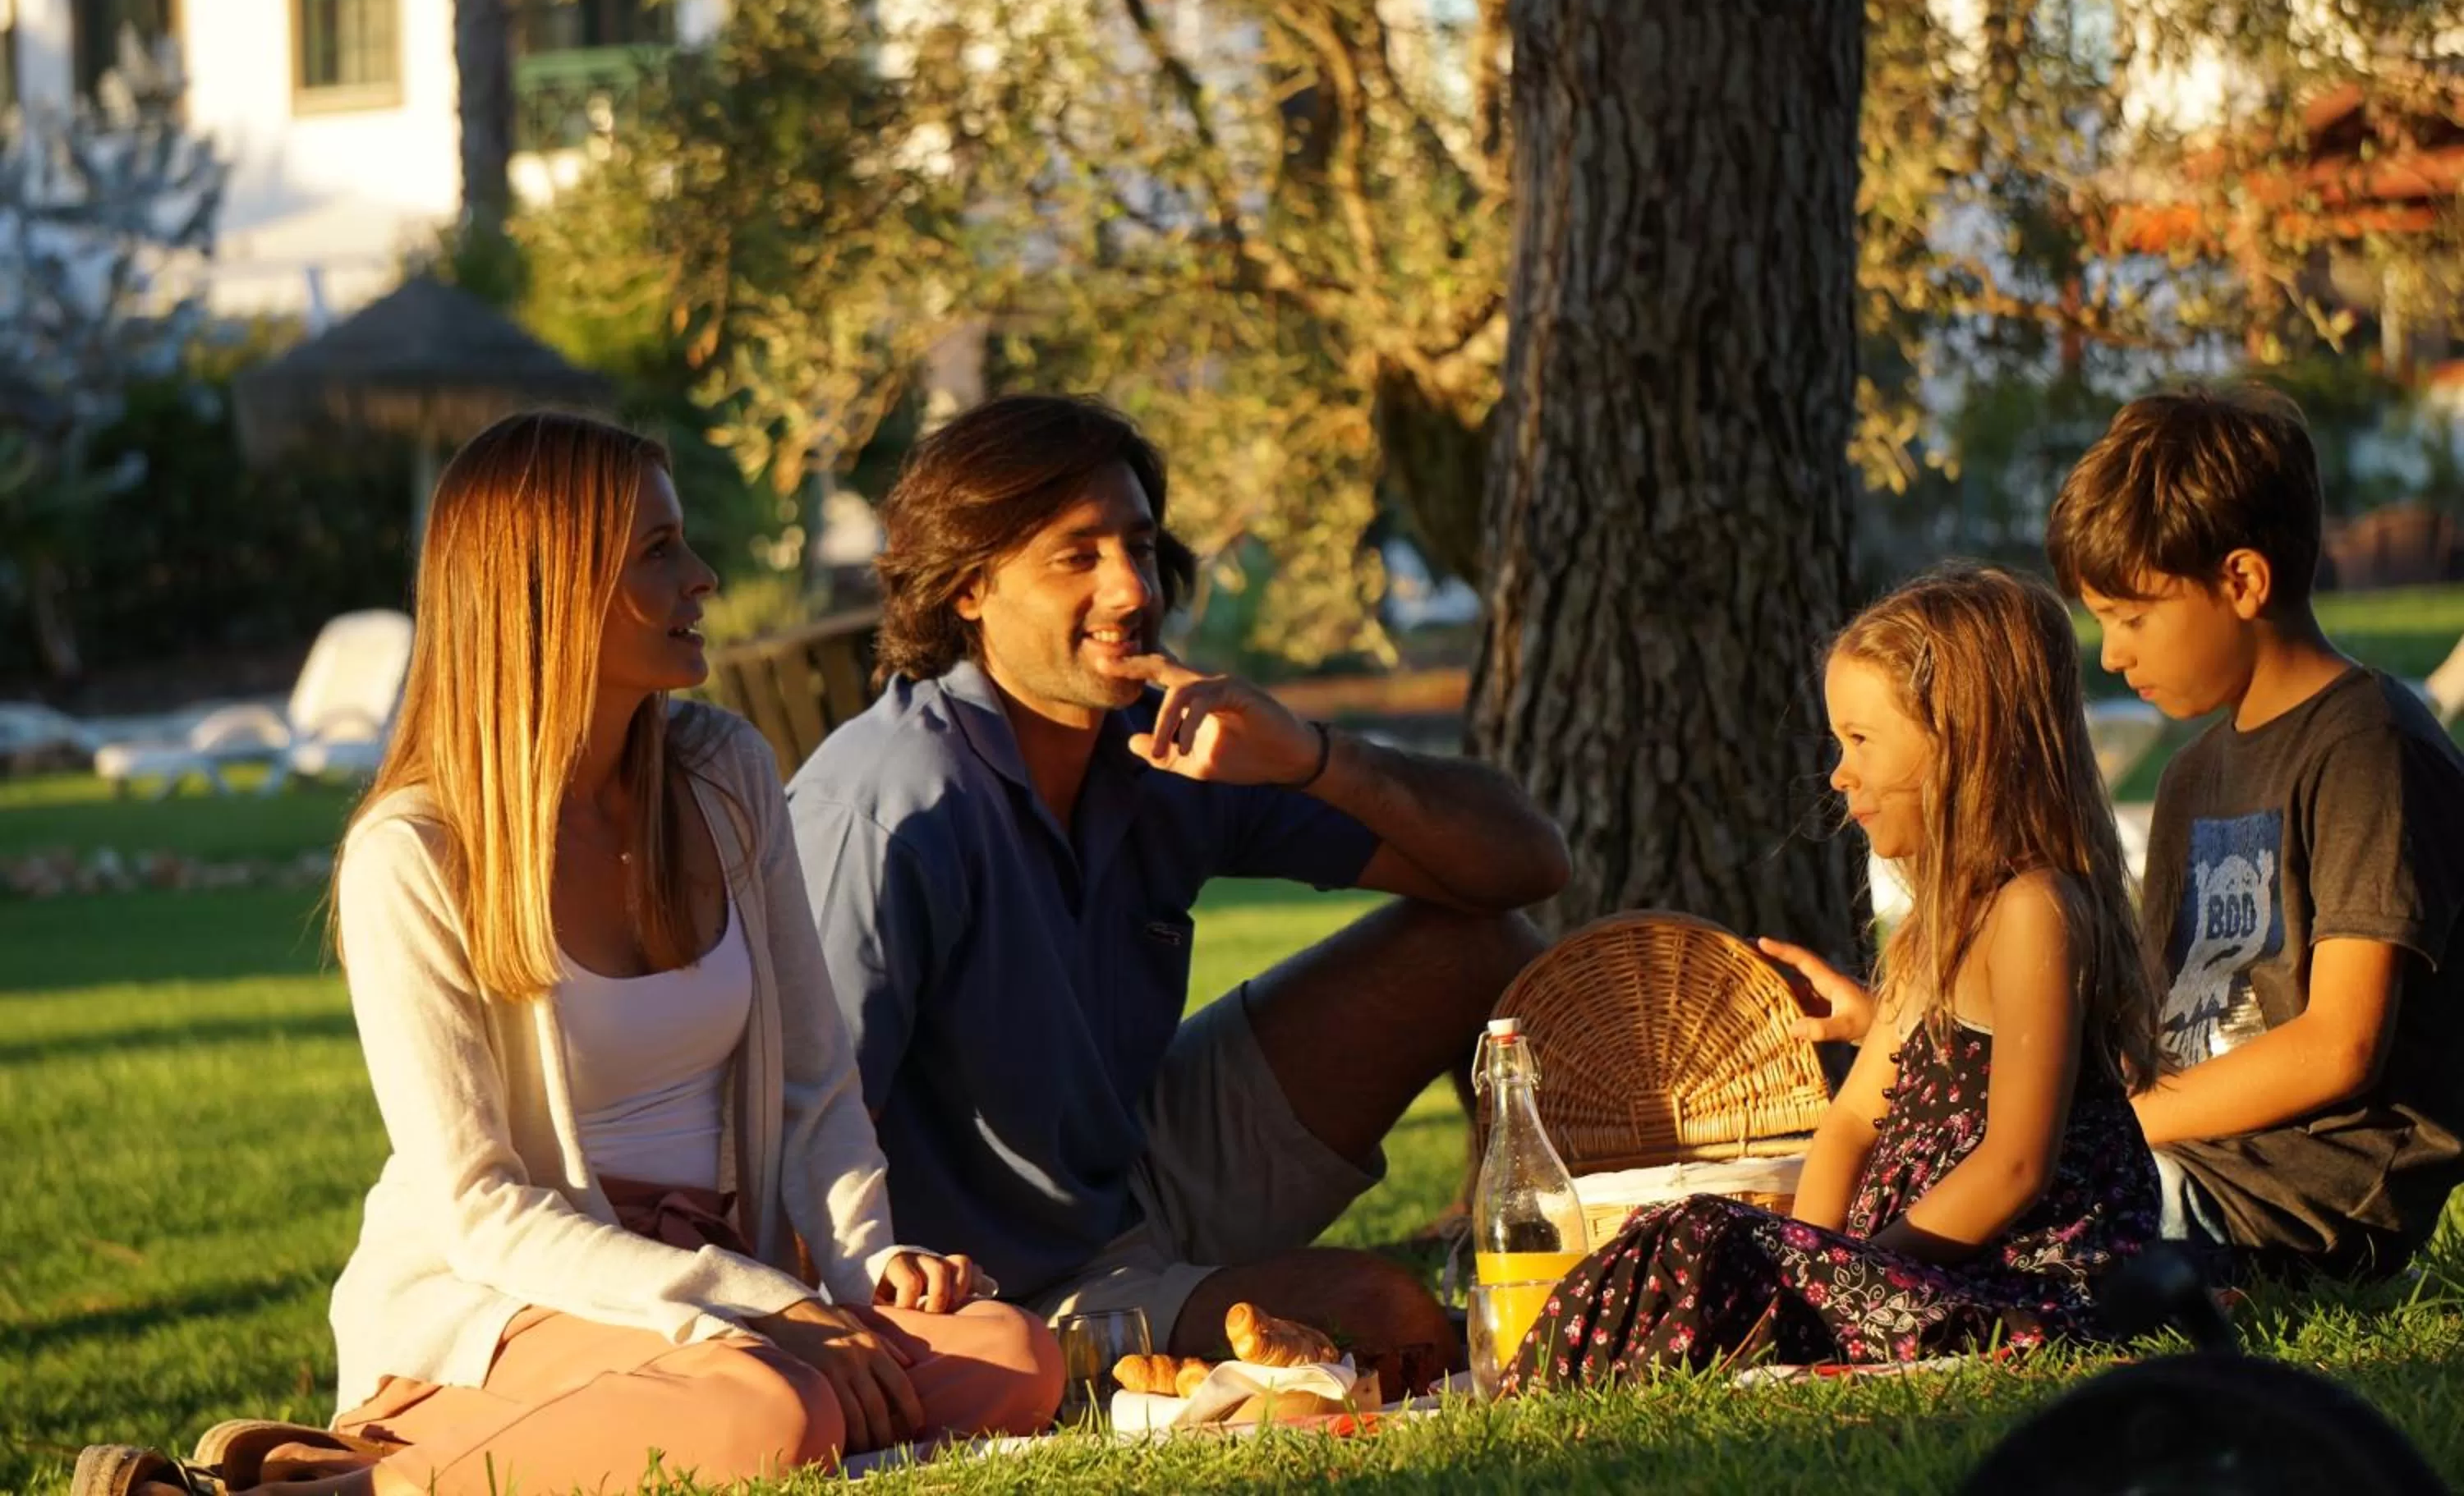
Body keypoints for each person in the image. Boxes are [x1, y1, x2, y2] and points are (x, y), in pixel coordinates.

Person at [75, 413, 1060, 1496]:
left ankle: (326, 1480)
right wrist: (768, 1310)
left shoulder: (724, 776)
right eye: (659, 552)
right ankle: (372, 1476)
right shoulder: (414, 853)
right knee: (768, 1411)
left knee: (1014, 1357)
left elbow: (817, 1086)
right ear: (544, 587)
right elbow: (485, 1210)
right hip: (516, 1294)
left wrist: (865, 1266)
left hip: (727, 1282)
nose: (705, 579)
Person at [788, 394, 1570, 1365]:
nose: (1130, 590)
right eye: (1077, 555)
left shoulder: (1165, 749)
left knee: (1471, 946)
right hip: (1003, 1283)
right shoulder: (891, 805)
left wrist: (1315, 755)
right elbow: (798, 1126)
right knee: (1387, 1317)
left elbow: (1525, 865)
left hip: (1139, 1166)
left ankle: (1580, 1257)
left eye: (1141, 546)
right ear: (969, 587)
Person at [1772, 388, 2464, 1283]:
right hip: (2170, 1167)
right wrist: (1919, 1033)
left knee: (1986, 1193)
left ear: (2243, 581)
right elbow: (2142, 1034)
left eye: (2133, 616)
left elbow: (2339, 1045)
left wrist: (2103, 1129)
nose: (2110, 652)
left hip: (2286, 1208)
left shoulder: (2369, 746)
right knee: (1918, 1174)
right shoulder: (2191, 777)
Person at [1510, 566, 2163, 1388]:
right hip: (1906, 1265)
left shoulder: (2033, 908)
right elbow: (1852, 1121)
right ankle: (1542, 1378)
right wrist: (1810, 1261)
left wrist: (1831, 1271)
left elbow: (2015, 1166)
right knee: (1687, 1236)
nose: (1838, 773)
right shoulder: (1931, 927)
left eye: (1860, 739)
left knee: (1703, 1239)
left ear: (1960, 737)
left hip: (2025, 1277)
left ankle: (1564, 1379)